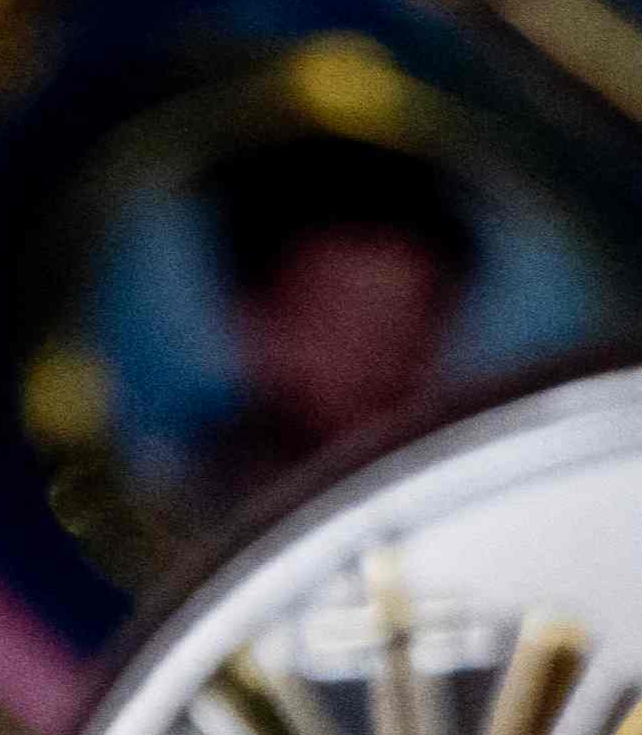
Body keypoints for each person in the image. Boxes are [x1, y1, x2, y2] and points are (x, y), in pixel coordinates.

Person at [178, 128, 487, 521]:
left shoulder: (468, 503)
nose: (381, 366)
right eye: (339, 329)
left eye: (408, 335)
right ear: (254, 323)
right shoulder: (176, 492)